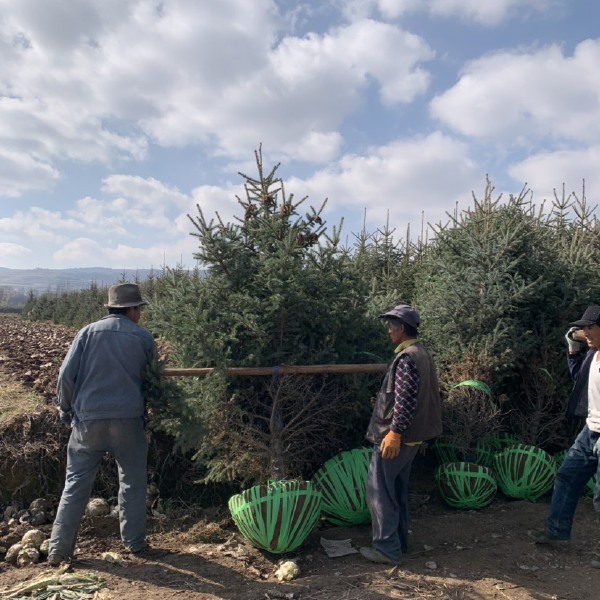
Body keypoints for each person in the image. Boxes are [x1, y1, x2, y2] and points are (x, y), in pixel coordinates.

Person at [47, 283, 157, 565]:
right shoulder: (143, 338)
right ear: (131, 309)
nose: (140, 315)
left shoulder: (86, 333)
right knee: (132, 481)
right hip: (128, 420)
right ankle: (135, 544)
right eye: (139, 309)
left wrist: (66, 410)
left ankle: (59, 551)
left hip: (88, 422)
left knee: (75, 484)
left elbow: (65, 376)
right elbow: (152, 382)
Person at [360, 304, 443, 565]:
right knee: (395, 489)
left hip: (396, 438)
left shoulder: (407, 358)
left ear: (403, 329)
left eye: (391, 327)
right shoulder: (422, 353)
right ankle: (399, 544)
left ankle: (386, 549)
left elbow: (404, 400)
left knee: (379, 490)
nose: (388, 331)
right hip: (413, 437)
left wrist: (395, 433)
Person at [530, 304, 600, 545]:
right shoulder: (593, 354)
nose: (586, 333)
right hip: (589, 430)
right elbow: (579, 379)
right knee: (567, 477)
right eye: (584, 329)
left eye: (590, 328)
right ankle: (557, 533)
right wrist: (573, 348)